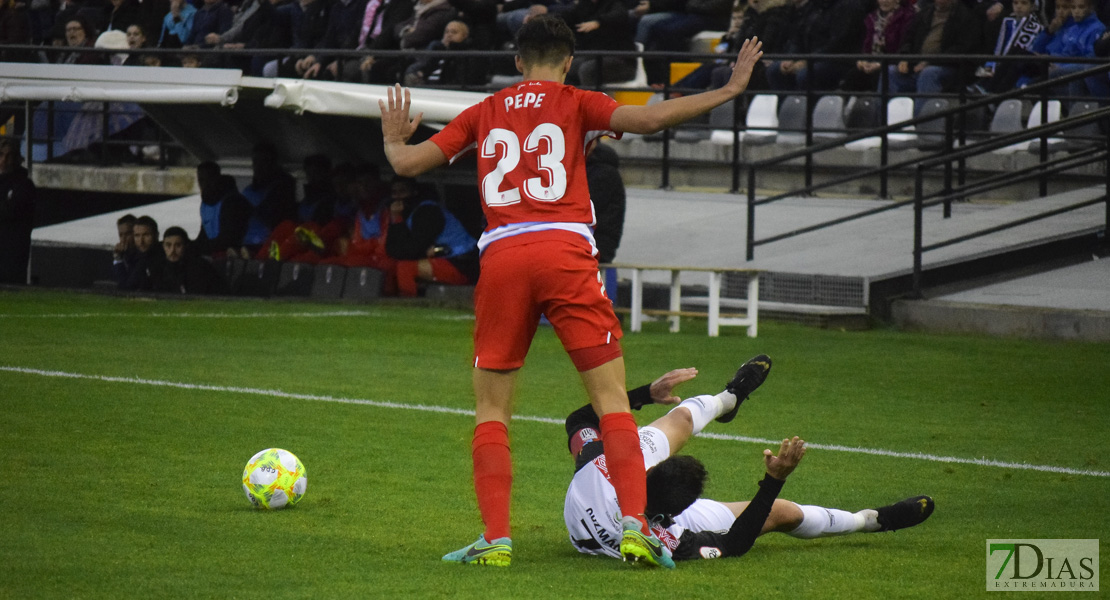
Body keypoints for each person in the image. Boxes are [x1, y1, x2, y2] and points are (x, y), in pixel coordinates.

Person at [379, 15, 764, 568]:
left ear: (517, 61)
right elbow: (652, 119)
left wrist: (395, 138)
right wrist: (728, 89)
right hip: (564, 252)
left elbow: (408, 162)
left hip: (505, 256)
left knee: (492, 408)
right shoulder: (579, 100)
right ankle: (635, 526)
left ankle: (497, 538)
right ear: (568, 60)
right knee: (610, 400)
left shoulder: (484, 112)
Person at [564, 356, 936, 563]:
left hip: (606, 494)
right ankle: (871, 520)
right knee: (783, 513)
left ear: (648, 470)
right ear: (679, 515)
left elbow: (580, 421)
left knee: (680, 419)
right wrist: (775, 481)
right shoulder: (672, 540)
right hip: (636, 522)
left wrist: (648, 392)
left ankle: (731, 398)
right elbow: (737, 543)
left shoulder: (599, 467)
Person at [384, 176, 479, 297]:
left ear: (414, 192)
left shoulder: (428, 211)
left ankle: (408, 307)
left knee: (406, 267)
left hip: (462, 263)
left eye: (402, 192)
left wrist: (420, 252)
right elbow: (392, 249)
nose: (397, 197)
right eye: (394, 193)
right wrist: (396, 219)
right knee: (391, 265)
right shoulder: (405, 214)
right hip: (443, 259)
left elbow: (413, 249)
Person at [886, 0, 982, 115]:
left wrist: (930, 62)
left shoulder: (966, 18)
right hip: (916, 66)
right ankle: (882, 121)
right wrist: (904, 57)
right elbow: (908, 39)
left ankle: (920, 124)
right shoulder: (924, 14)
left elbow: (961, 49)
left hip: (949, 68)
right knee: (890, 71)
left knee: (929, 73)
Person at [193, 161, 251, 258]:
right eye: (201, 180)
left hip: (243, 252)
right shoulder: (205, 204)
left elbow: (229, 239)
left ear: (217, 179)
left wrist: (199, 247)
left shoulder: (234, 202)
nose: (205, 185)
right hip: (216, 253)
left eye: (209, 179)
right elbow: (205, 234)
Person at [0, 139, 36, 285]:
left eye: (9, 156)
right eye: (2, 155)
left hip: (13, 250)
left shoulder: (24, 185)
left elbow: (12, 210)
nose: (4, 160)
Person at [152, 226, 227, 294]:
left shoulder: (199, 267)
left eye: (178, 245)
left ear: (186, 246)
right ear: (163, 246)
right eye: (168, 245)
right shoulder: (159, 267)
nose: (172, 250)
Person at [119, 215, 164, 290]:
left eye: (146, 235)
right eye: (137, 236)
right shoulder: (133, 257)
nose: (141, 241)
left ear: (156, 235)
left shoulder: (165, 257)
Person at [111, 213, 138, 283]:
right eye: (121, 235)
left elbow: (124, 284)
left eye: (128, 234)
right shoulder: (123, 254)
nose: (123, 239)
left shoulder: (140, 256)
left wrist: (118, 260)